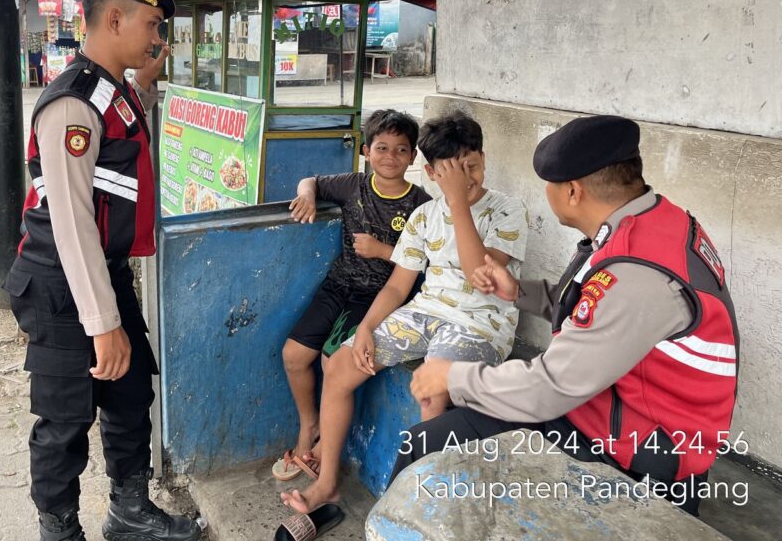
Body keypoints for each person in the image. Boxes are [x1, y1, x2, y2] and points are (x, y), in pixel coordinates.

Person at [391, 115, 739, 516]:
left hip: (634, 452)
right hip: (614, 410)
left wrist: (451, 376)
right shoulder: (655, 222)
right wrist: (522, 293)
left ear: (572, 191)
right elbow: (603, 313)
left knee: (423, 446)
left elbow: (547, 389)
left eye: (550, 185)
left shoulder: (638, 273)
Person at [3, 0, 200, 541]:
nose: (159, 40)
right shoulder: (72, 105)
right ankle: (60, 531)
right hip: (62, 284)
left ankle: (130, 511)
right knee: (65, 421)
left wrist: (146, 83)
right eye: (152, 27)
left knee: (131, 393)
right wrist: (102, 322)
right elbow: (70, 223)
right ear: (114, 19)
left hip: (101, 275)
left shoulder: (113, 90)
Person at [282, 113, 529, 513]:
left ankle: (421, 505)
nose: (467, 179)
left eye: (473, 166)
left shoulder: (505, 210)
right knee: (340, 364)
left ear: (484, 158)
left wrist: (457, 202)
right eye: (453, 172)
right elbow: (398, 285)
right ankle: (327, 483)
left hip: (480, 322)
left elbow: (478, 273)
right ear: (431, 172)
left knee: (432, 392)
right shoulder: (424, 217)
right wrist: (364, 329)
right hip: (426, 313)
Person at [275, 110, 432, 481]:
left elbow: (426, 264)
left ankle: (323, 450)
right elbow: (309, 181)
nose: (390, 157)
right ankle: (309, 425)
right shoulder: (352, 185)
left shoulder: (422, 204)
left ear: (413, 157)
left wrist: (382, 250)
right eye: (382, 148)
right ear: (365, 151)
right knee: (294, 355)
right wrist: (307, 197)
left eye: (400, 150)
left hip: (379, 297)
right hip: (339, 284)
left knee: (333, 364)